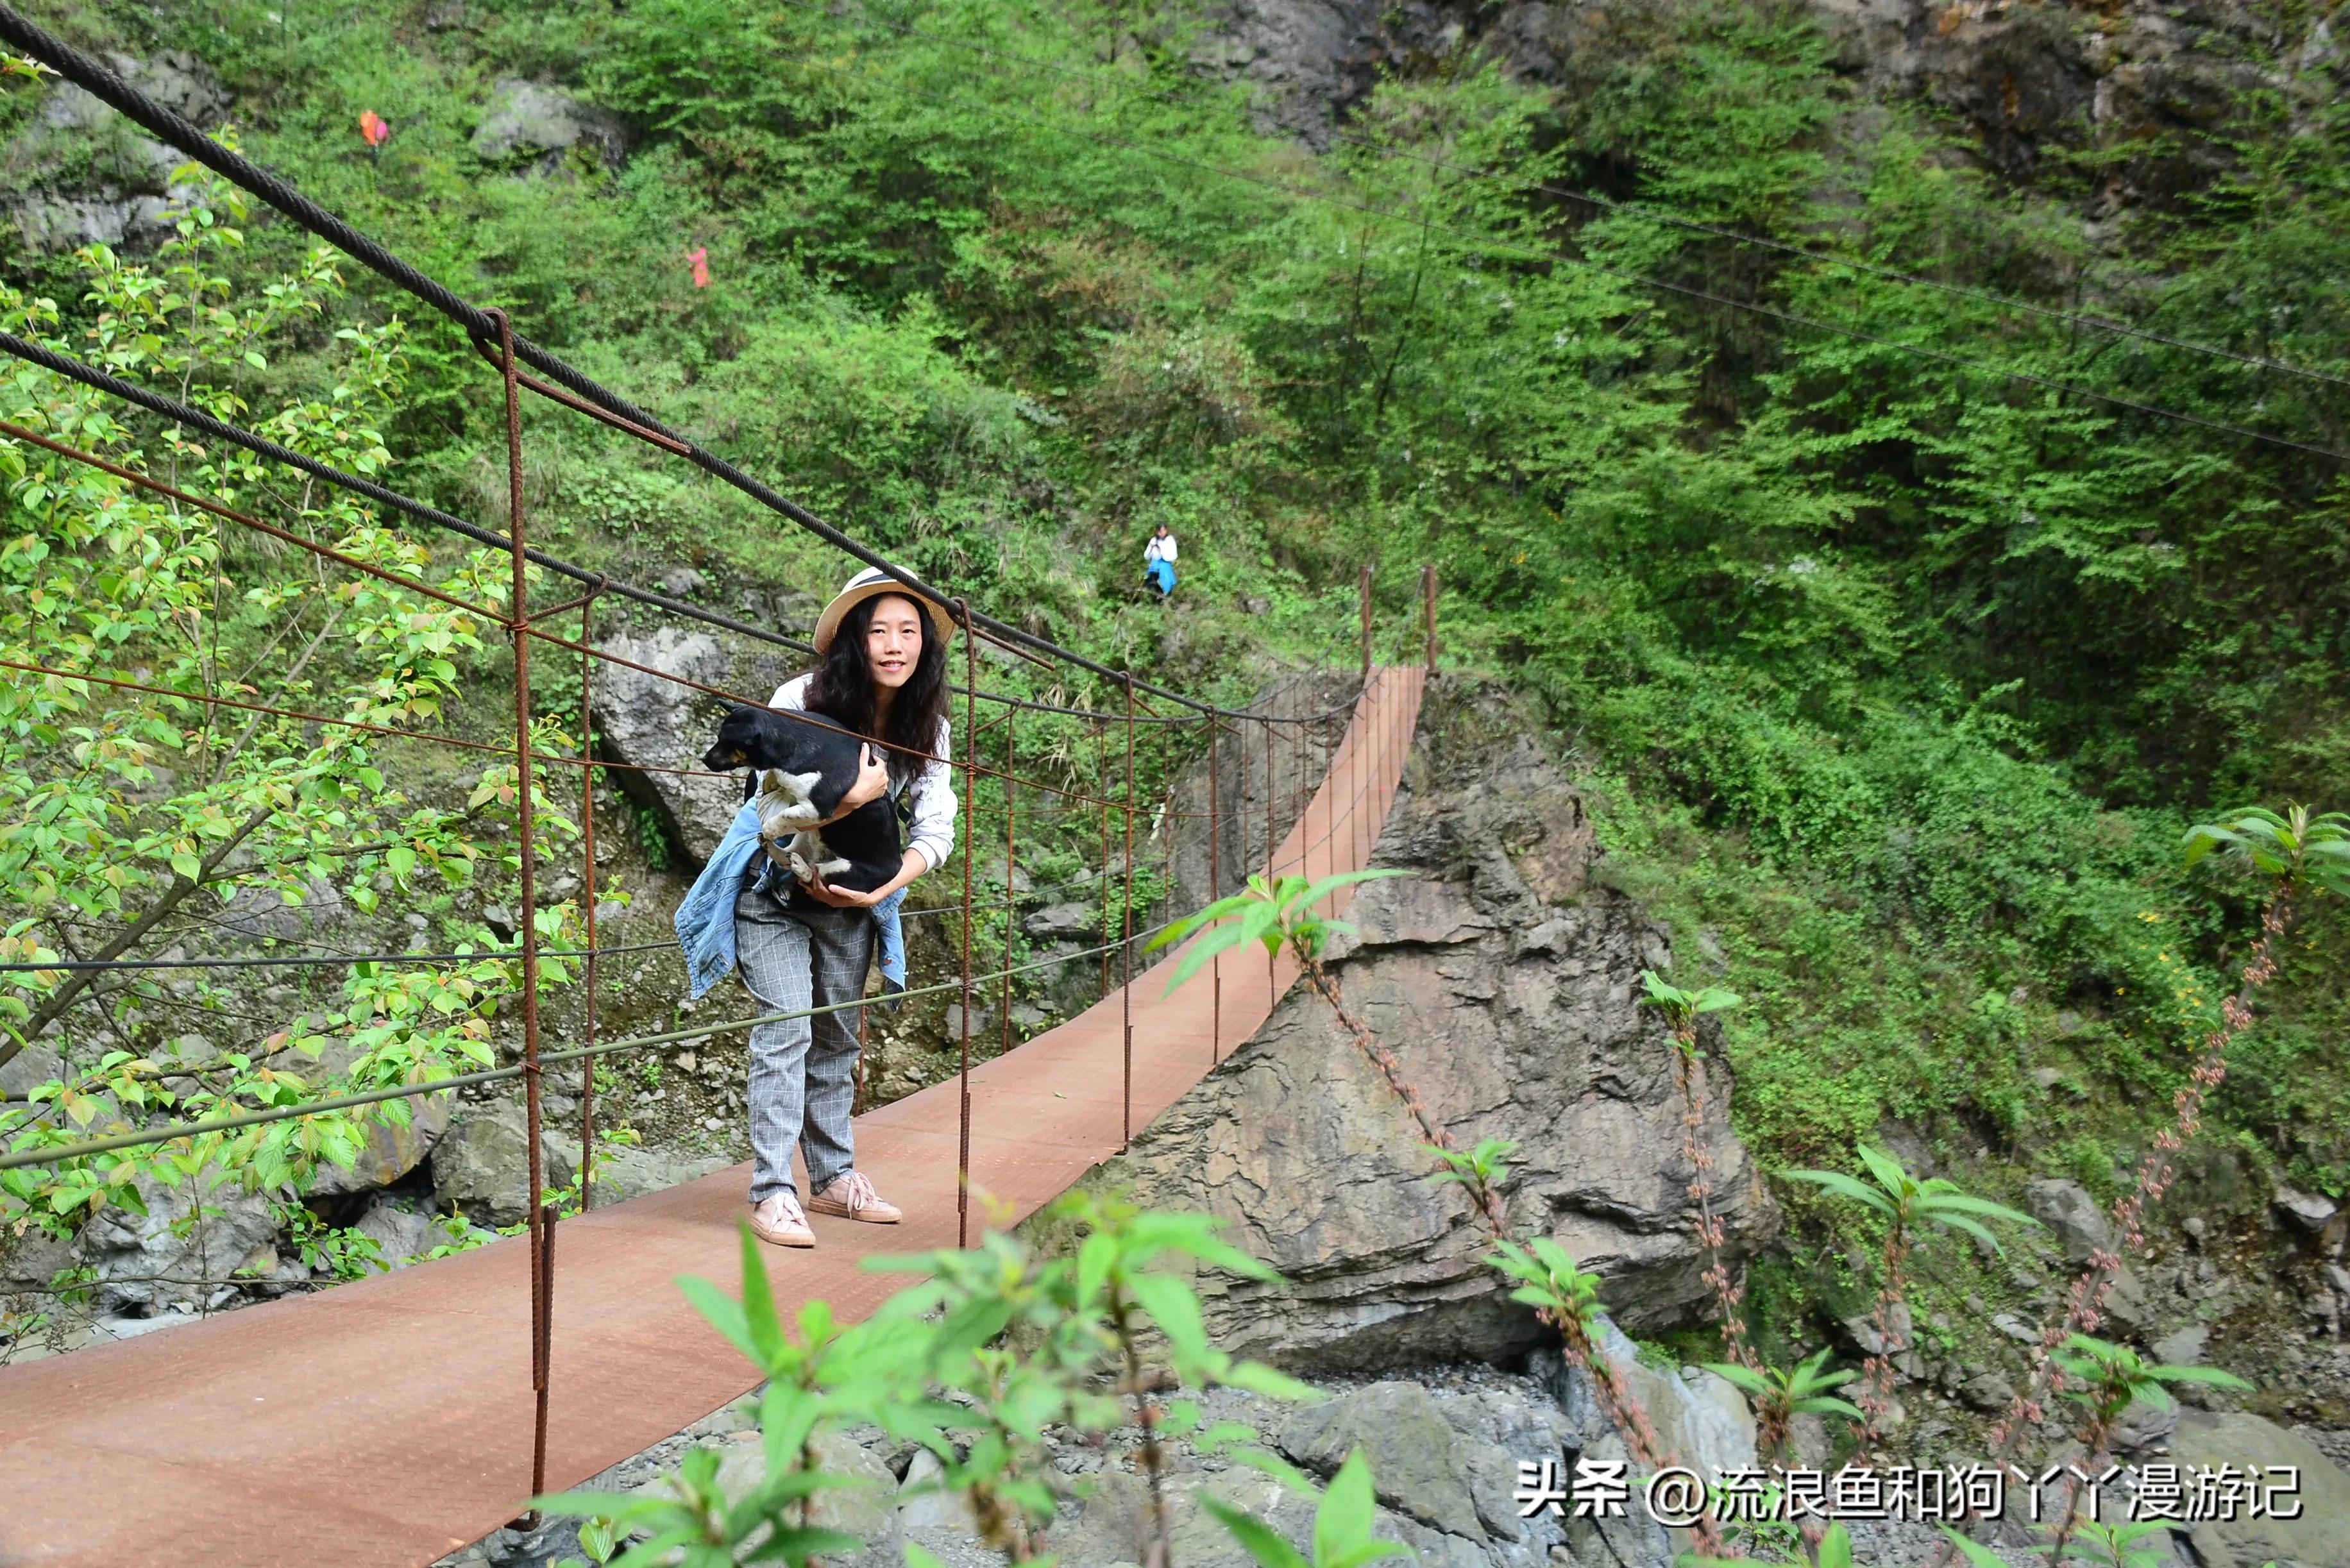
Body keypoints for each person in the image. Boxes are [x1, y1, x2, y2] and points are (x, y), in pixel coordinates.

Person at [675, 566, 958, 1249]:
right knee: (788, 1025)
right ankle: (773, 1191)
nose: (895, 645)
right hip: (773, 891)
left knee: (837, 1039)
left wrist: (886, 889)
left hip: (854, 900)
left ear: (925, 646)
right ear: (853, 641)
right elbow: (766, 813)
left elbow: (937, 829)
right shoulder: (799, 698)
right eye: (879, 631)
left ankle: (832, 1182)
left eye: (908, 631)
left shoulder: (928, 729)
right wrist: (853, 800)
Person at [1142, 522, 1178, 599]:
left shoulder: (1170, 540)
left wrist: (1160, 550)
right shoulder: (1154, 540)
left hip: (1165, 563)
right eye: (1159, 532)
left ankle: (1166, 594)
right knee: (1152, 575)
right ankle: (1155, 593)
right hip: (1155, 564)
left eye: (1163, 531)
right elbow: (1147, 556)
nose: (1161, 533)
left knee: (1164, 575)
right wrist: (1152, 548)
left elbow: (1173, 556)